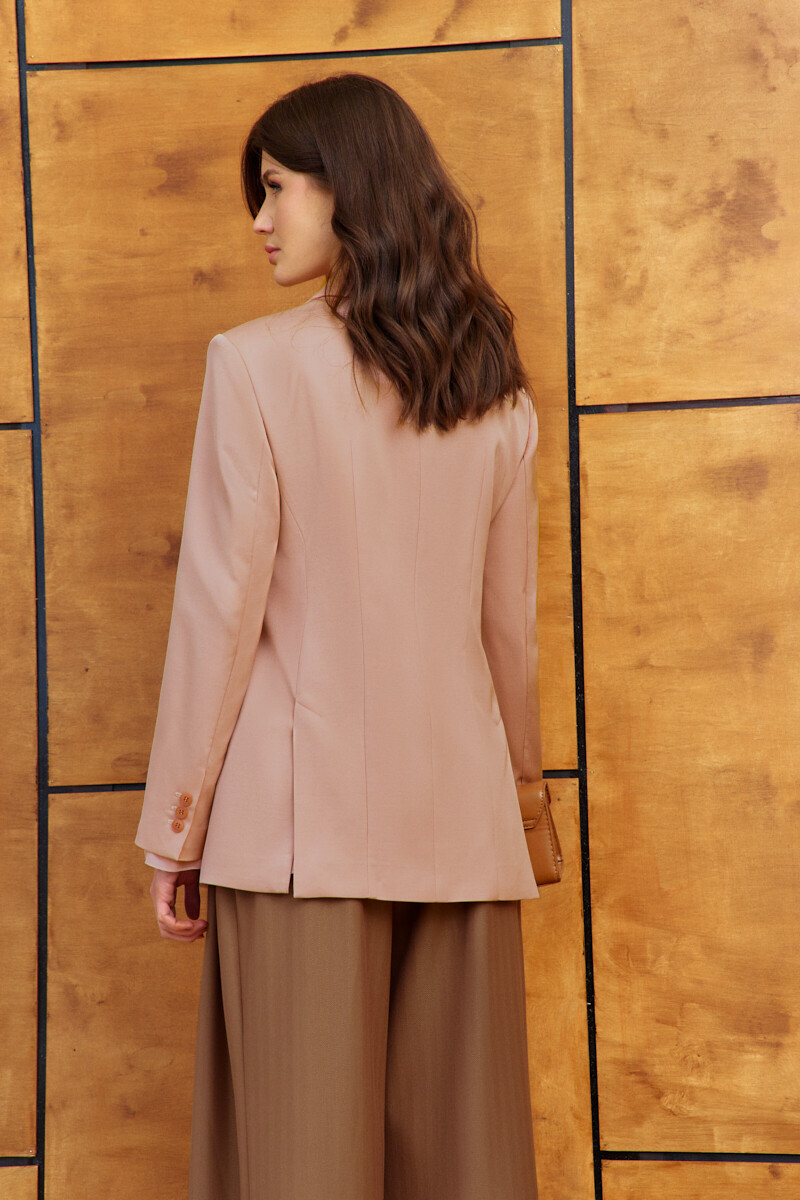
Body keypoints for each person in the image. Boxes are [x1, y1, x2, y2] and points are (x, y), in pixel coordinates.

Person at [135, 71, 543, 1200]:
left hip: (297, 840)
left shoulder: (254, 366)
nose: (259, 220)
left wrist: (176, 830)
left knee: (298, 1169)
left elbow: (221, 610)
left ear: (348, 186)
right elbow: (507, 632)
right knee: (464, 1171)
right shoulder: (496, 390)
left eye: (276, 188)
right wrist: (522, 810)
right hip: (463, 836)